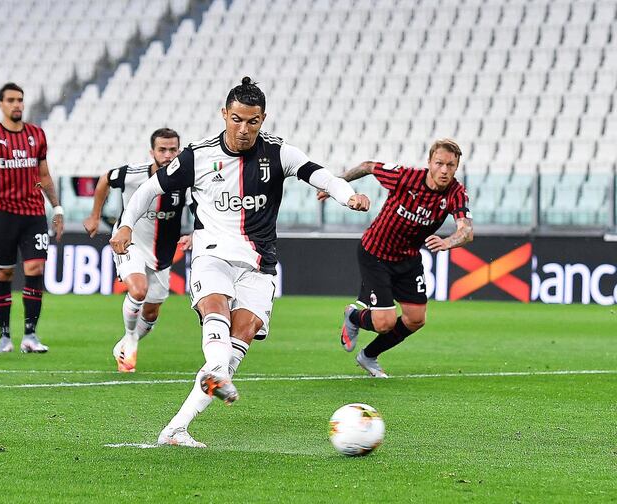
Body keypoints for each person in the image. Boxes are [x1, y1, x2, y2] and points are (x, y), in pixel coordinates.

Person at [110, 77, 370, 447]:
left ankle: (176, 428)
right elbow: (151, 189)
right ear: (224, 115)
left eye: (252, 121)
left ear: (263, 119)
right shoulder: (198, 156)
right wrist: (124, 226)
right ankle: (213, 374)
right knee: (214, 309)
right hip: (212, 253)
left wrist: (348, 196)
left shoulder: (279, 153)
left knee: (239, 339)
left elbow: (321, 175)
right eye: (236, 119)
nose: (243, 129)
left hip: (259, 263)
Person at [325, 139, 473, 378]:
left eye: (451, 165)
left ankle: (369, 355)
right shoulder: (406, 176)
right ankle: (352, 316)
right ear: (429, 163)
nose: (444, 170)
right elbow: (368, 166)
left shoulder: (456, 192)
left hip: (408, 259)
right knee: (385, 323)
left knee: (415, 319)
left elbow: (466, 231)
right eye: (439, 163)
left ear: (456, 167)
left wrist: (448, 242)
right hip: (376, 253)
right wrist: (336, 184)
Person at [84, 128, 192, 373]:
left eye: (173, 150)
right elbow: (105, 179)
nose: (167, 155)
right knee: (138, 289)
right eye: (162, 150)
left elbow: (198, 206)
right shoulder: (132, 174)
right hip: (129, 242)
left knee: (152, 313)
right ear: (151, 152)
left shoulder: (185, 181)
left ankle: (124, 342)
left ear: (179, 151)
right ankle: (131, 339)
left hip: (162, 255)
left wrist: (197, 231)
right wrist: (95, 215)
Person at [0, 82, 64, 354]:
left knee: (35, 269)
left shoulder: (37, 135)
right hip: (4, 215)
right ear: (1, 104)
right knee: (4, 272)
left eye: (20, 100)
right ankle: (4, 337)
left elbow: (44, 175)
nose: (17, 105)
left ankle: (30, 335)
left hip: (34, 214)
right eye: (11, 100)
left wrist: (57, 208)